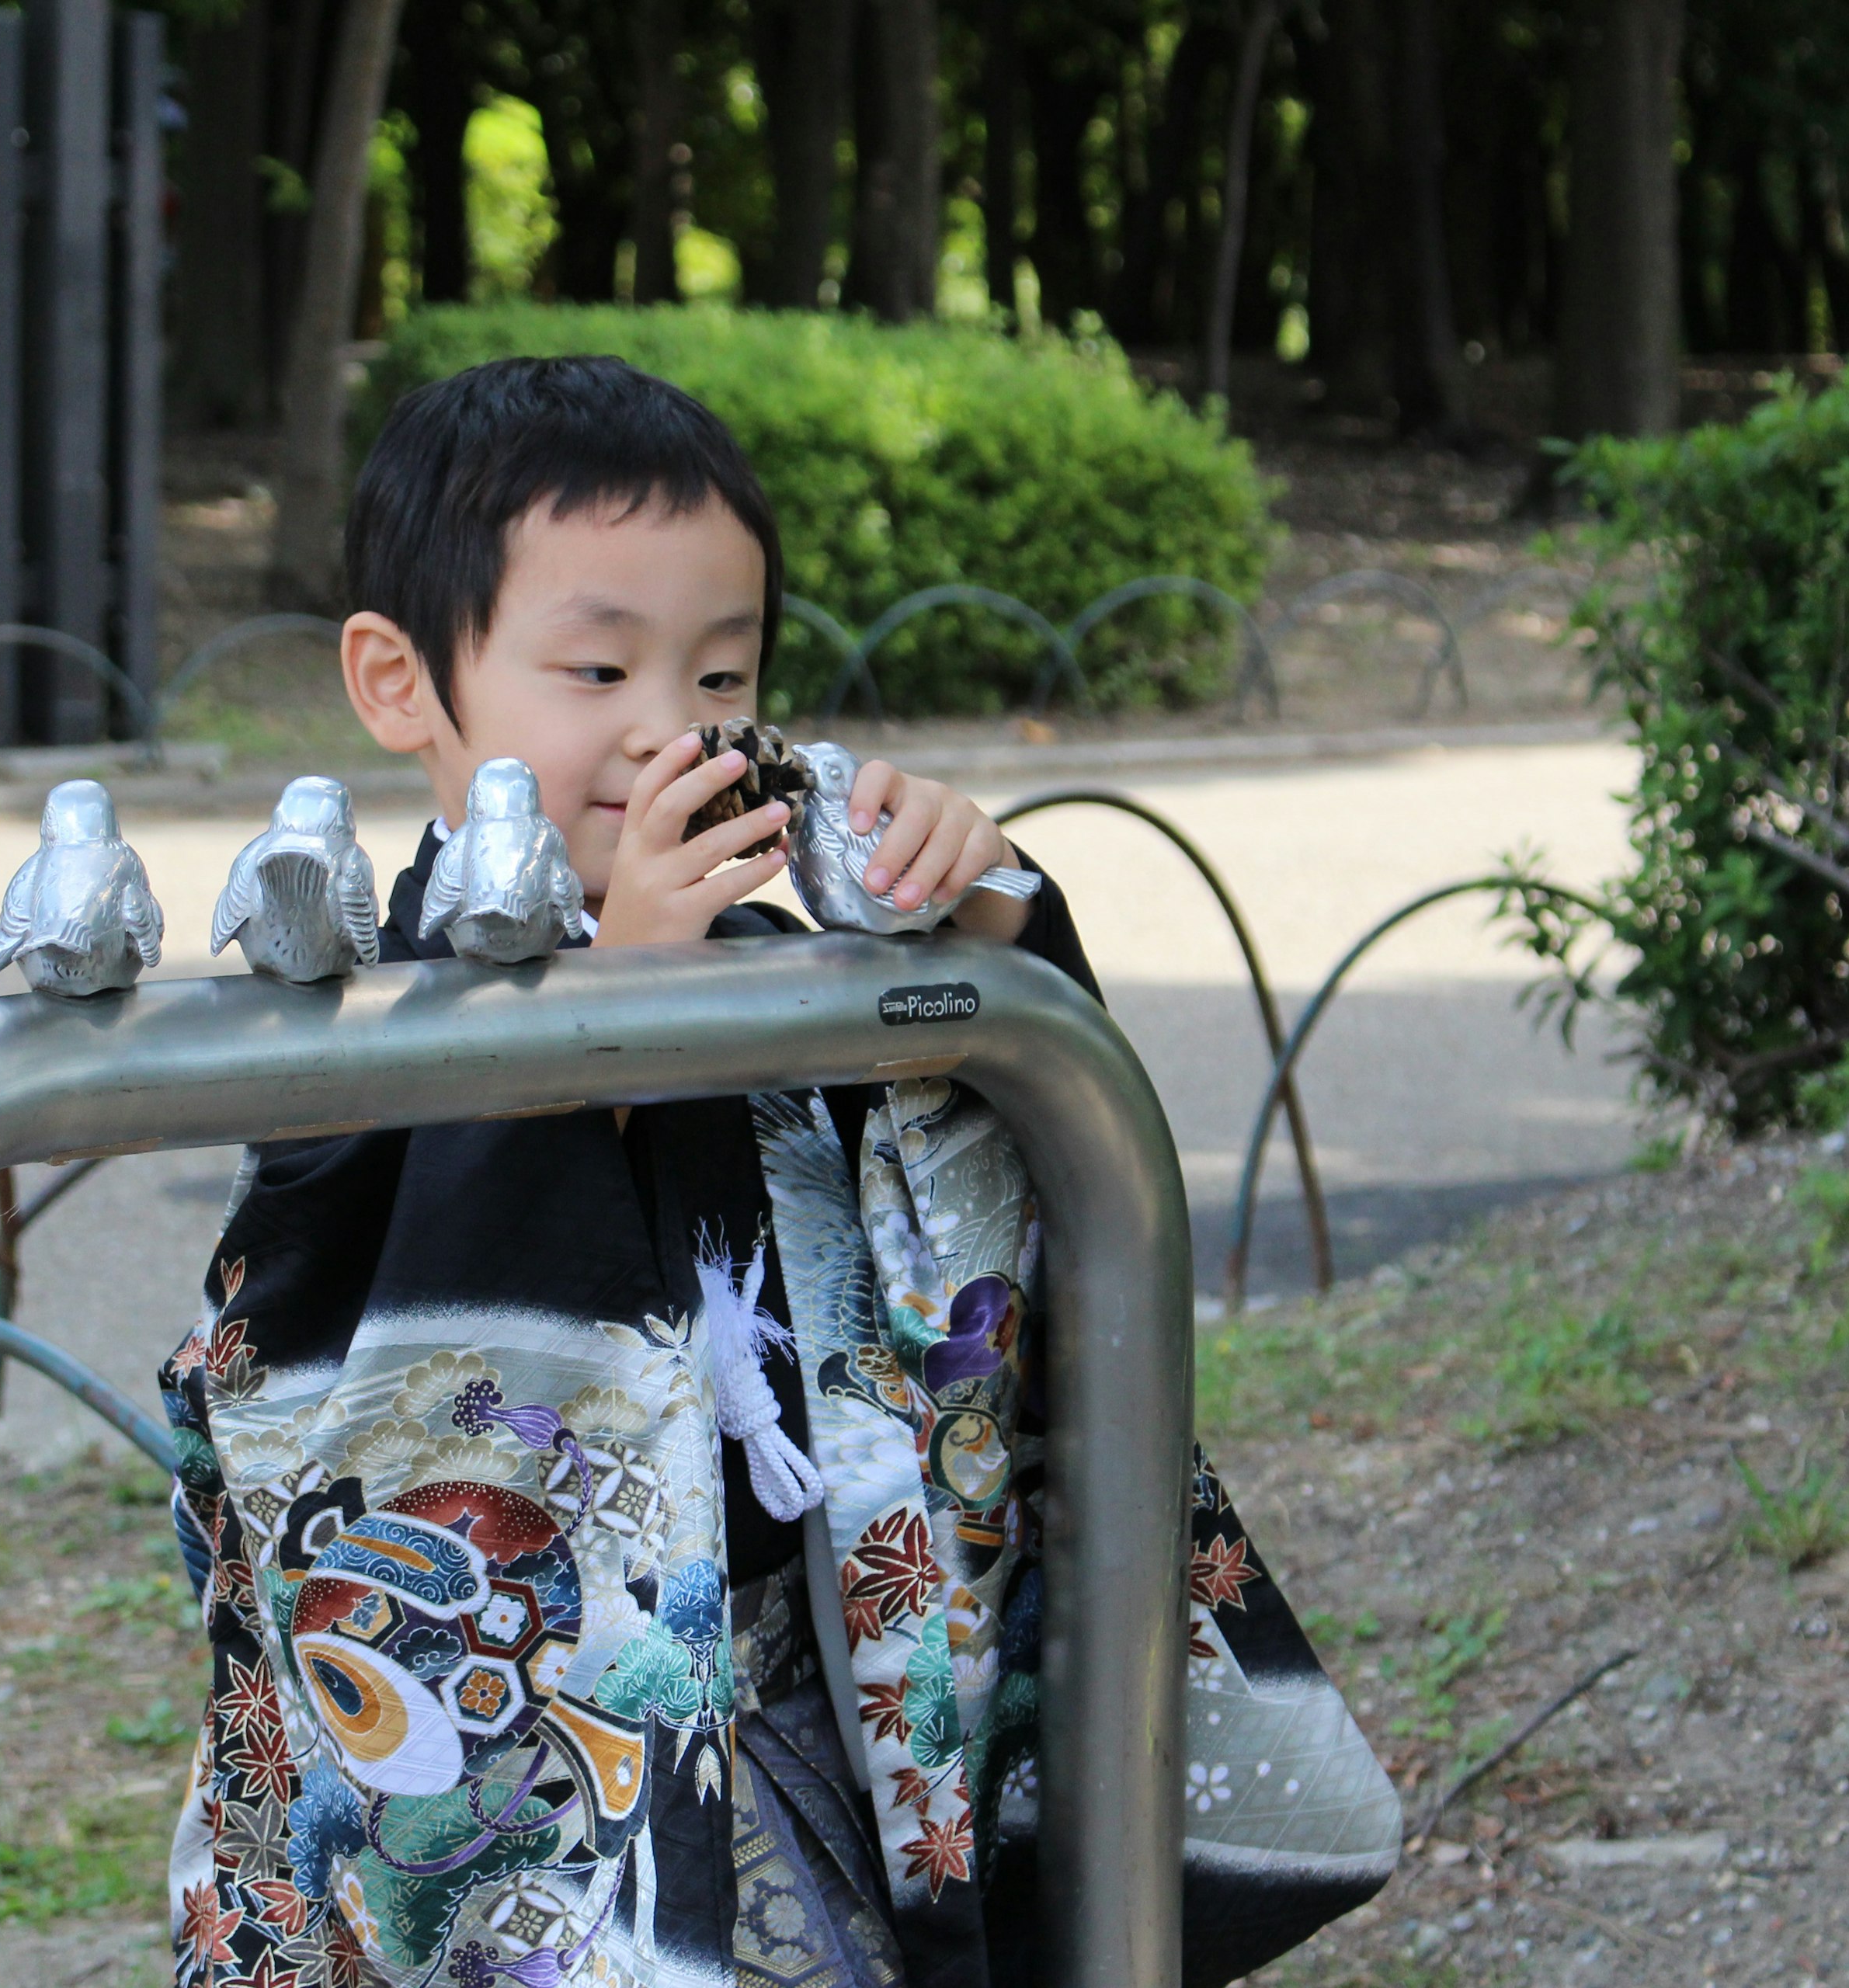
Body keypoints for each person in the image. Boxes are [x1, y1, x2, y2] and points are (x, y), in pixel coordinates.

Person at [156, 357, 1392, 1988]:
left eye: (723, 670)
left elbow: (1012, 1182)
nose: (671, 726)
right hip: (514, 1736)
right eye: (598, 665)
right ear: (402, 683)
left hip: (805, 1702)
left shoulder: (779, 970)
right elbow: (352, 1379)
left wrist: (990, 913)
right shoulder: (361, 1010)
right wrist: (611, 1010)